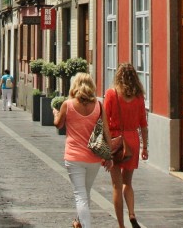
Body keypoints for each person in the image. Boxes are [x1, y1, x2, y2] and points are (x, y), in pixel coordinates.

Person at [54, 72, 114, 228]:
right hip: (94, 157)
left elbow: (58, 125)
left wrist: (56, 113)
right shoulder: (99, 105)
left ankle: (85, 225)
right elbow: (107, 132)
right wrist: (109, 156)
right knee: (85, 192)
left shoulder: (68, 104)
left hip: (74, 157)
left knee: (80, 195)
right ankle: (79, 223)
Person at [104, 63, 149, 228]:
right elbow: (143, 124)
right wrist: (145, 147)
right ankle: (131, 213)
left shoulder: (112, 94)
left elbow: (104, 122)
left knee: (116, 185)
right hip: (133, 141)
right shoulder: (139, 97)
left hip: (116, 141)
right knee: (127, 183)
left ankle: (121, 225)